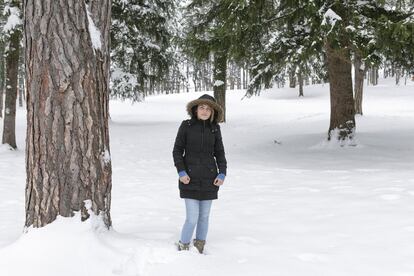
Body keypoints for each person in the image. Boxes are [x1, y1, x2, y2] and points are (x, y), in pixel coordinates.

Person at [172, 94, 227, 254]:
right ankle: (183, 245)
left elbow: (220, 153)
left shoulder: (215, 128)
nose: (204, 111)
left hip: (210, 180)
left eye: (208, 109)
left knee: (204, 217)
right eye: (201, 107)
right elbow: (177, 151)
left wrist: (222, 173)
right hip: (189, 179)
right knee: (192, 217)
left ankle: (199, 246)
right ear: (195, 109)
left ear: (212, 113)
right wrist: (181, 172)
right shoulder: (186, 126)